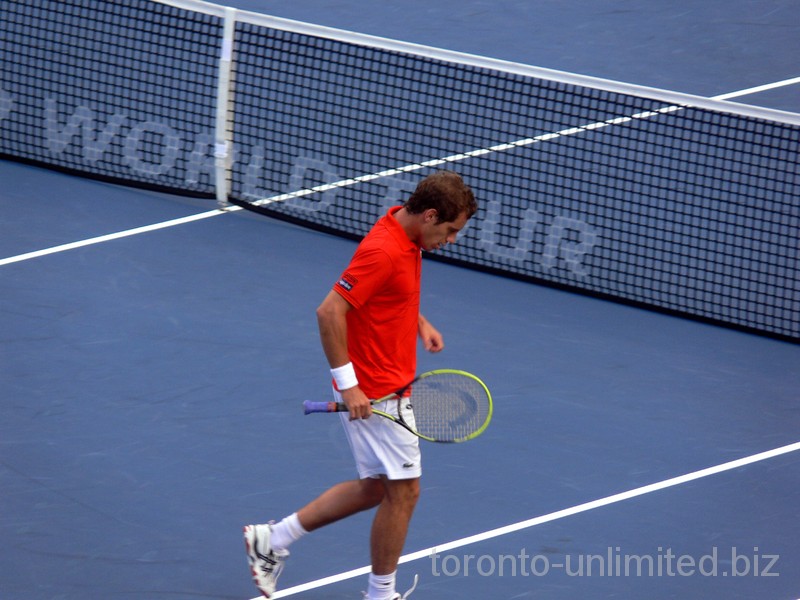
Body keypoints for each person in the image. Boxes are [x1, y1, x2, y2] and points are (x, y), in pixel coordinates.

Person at [244, 170, 478, 599]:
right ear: (429, 215)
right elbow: (329, 312)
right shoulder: (385, 250)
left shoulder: (403, 232)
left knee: (377, 488)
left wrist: (418, 322)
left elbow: (386, 294)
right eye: (451, 230)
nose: (452, 239)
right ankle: (380, 594)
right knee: (405, 493)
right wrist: (349, 386)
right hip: (376, 390)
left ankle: (272, 539)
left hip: (382, 382)